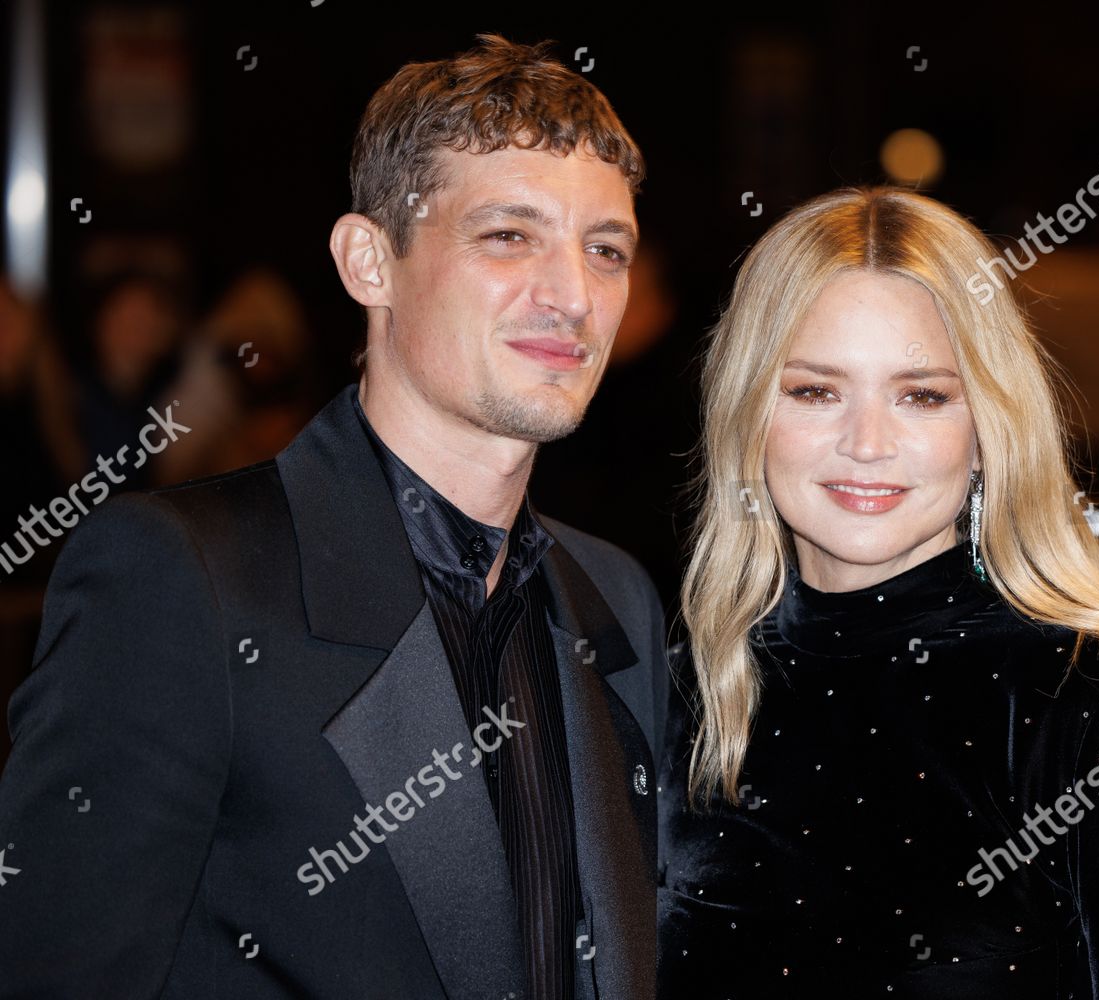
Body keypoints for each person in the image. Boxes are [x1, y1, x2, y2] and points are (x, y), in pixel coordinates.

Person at [0, 33, 665, 1000]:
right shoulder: (183, 582)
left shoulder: (616, 597)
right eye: (508, 235)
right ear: (369, 262)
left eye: (606, 250)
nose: (572, 295)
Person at [657, 186, 1099, 998]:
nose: (866, 443)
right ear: (748, 412)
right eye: (815, 391)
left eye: (921, 396)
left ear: (987, 430)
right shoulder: (681, 695)